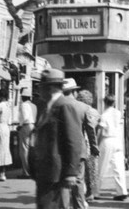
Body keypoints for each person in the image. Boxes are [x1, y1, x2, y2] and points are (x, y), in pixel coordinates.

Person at [31, 69, 88, 209]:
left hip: (56, 172)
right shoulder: (46, 106)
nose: (39, 89)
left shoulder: (65, 106)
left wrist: (71, 173)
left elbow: (73, 141)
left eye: (41, 86)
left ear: (50, 87)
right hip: (45, 171)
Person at [97, 94, 128, 201]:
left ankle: (95, 191)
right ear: (114, 103)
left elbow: (100, 131)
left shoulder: (104, 115)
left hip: (107, 140)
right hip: (117, 140)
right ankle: (122, 191)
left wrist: (96, 143)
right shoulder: (118, 113)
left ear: (104, 102)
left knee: (100, 167)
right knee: (118, 167)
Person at [76, 90, 100, 203]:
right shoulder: (95, 112)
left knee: (83, 171)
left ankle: (87, 193)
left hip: (84, 142)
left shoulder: (81, 110)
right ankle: (91, 191)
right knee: (91, 169)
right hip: (91, 142)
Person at [18, 86, 37, 178]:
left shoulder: (24, 105)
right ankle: (32, 170)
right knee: (31, 149)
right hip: (33, 126)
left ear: (23, 97)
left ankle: (26, 172)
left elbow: (25, 117)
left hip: (26, 126)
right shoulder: (34, 105)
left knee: (24, 149)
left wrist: (20, 125)